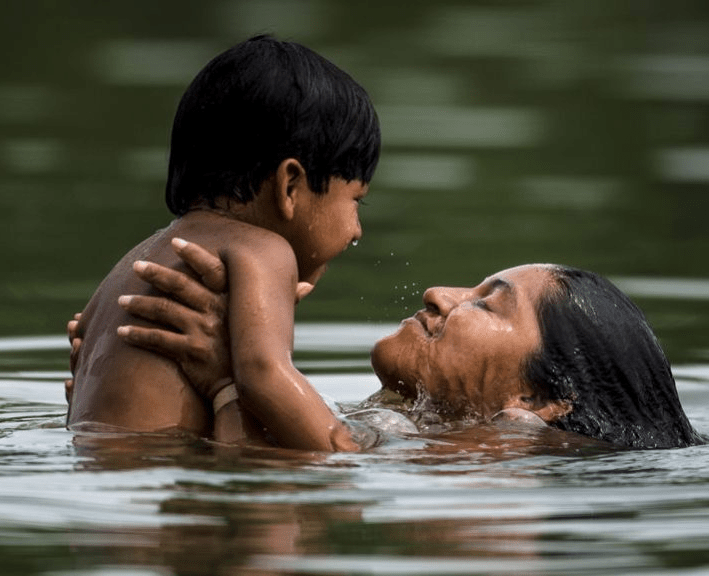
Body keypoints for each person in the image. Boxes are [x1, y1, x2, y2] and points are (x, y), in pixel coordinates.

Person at [66, 34, 382, 452]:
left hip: (99, 485)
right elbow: (263, 375)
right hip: (170, 485)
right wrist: (342, 446)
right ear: (290, 185)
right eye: (356, 201)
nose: (357, 230)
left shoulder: (132, 263)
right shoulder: (264, 251)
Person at [102, 241, 703, 450]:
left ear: (539, 398)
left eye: (488, 302)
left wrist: (230, 380)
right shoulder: (423, 436)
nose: (439, 293)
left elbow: (268, 492)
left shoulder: (489, 463)